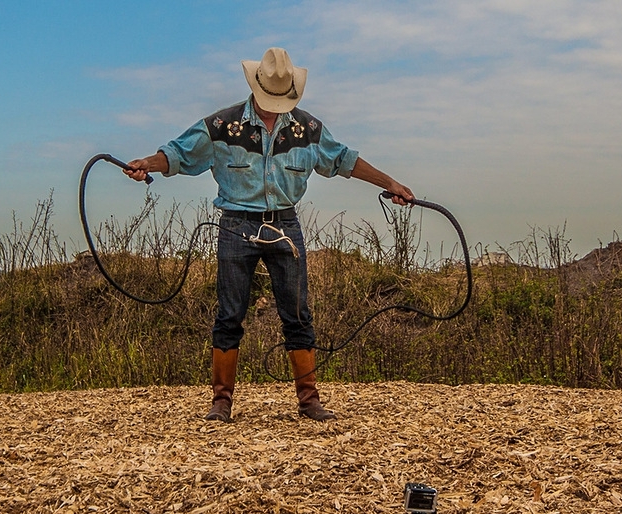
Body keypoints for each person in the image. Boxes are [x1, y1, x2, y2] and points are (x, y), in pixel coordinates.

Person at [125, 48, 414, 422]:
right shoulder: (221, 126)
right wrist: (147, 163)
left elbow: (344, 160)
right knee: (229, 313)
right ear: (256, 89)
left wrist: (390, 182)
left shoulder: (307, 130)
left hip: (285, 224)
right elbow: (179, 154)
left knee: (297, 314)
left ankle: (309, 401)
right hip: (235, 224)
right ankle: (221, 401)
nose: (275, 107)